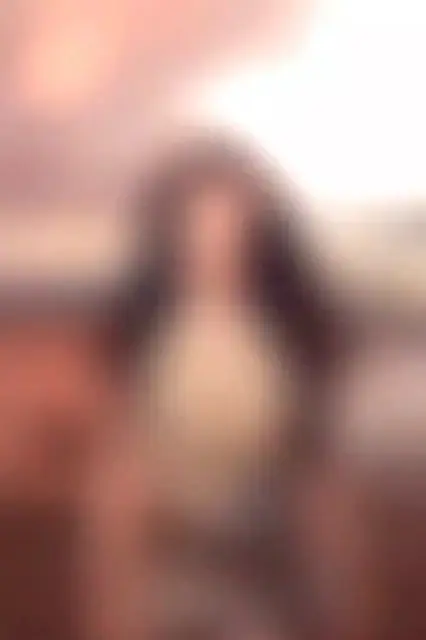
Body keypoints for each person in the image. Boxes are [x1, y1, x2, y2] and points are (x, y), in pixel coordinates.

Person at [124, 131, 336, 639]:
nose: (216, 242)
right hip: (171, 568)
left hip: (266, 568)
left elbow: (316, 485)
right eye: (199, 225)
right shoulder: (150, 336)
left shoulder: (286, 338)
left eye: (231, 225)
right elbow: (122, 487)